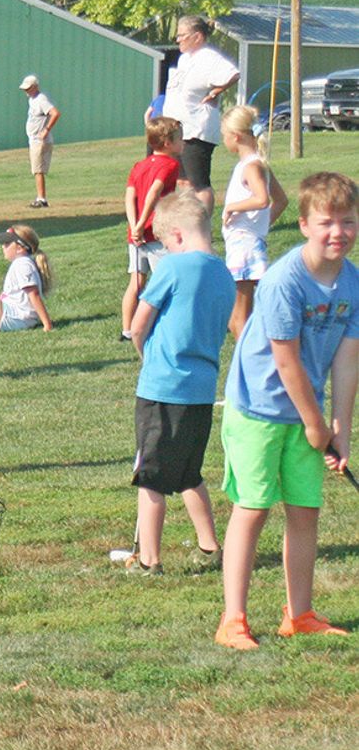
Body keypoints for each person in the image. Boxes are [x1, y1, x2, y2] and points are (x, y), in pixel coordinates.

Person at [214, 172, 358, 650]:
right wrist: (316, 424)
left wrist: (340, 426)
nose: (337, 232)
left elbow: (347, 355)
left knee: (305, 510)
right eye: (326, 222)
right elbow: (285, 358)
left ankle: (299, 614)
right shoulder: (283, 280)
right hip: (258, 408)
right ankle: (233, 619)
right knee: (252, 508)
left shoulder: (352, 282)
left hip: (305, 414)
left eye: (348, 222)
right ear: (303, 225)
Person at [126, 192, 236, 575]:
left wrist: (147, 358)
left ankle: (148, 560)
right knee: (189, 471)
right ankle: (209, 547)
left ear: (175, 237)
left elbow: (138, 325)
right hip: (202, 389)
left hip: (163, 387)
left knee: (150, 477)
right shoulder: (225, 273)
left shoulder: (172, 269)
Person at [220, 105, 289, 340]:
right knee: (238, 314)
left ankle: (249, 361)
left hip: (244, 246)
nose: (224, 141)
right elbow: (281, 201)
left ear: (236, 136)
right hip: (247, 242)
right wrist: (260, 226)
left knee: (239, 317)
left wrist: (232, 207)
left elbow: (262, 199)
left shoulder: (251, 166)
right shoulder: (258, 164)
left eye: (224, 136)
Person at [162, 15, 239, 214]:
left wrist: (216, 92)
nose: (178, 39)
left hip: (196, 129)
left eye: (182, 35)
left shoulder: (209, 57)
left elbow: (233, 74)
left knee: (198, 183)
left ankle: (203, 226)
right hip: (179, 129)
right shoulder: (185, 58)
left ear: (197, 36)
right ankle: (190, 221)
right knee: (183, 181)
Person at [120, 117, 182, 342]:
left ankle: (127, 329)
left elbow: (130, 196)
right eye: (180, 138)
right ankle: (164, 326)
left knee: (136, 282)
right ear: (167, 143)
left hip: (136, 237)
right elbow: (154, 193)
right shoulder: (171, 165)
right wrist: (142, 224)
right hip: (156, 234)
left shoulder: (139, 166)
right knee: (164, 281)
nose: (182, 142)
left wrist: (133, 225)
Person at [18, 75, 60, 208]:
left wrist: (46, 130)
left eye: (28, 88)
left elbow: (55, 113)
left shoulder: (41, 99)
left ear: (35, 87)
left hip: (40, 140)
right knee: (37, 169)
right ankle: (40, 197)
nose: (26, 91)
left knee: (38, 170)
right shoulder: (32, 100)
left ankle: (41, 199)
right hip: (34, 139)